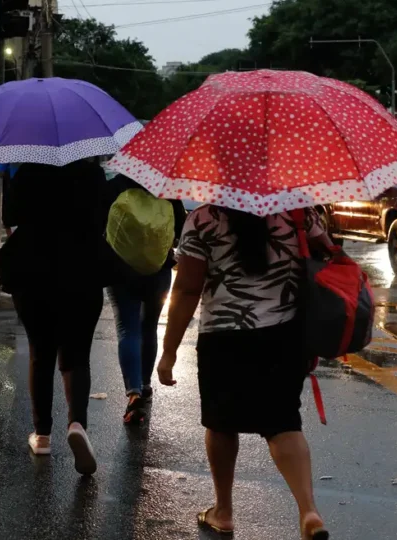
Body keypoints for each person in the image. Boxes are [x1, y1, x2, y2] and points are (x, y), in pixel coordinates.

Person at [159, 205, 331, 540]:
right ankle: (308, 510)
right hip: (285, 335)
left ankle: (223, 511)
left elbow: (187, 289)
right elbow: (326, 260)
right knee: (283, 424)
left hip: (224, 336)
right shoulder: (299, 213)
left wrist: (168, 351)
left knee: (221, 424)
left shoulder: (204, 219)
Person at [0, 159, 111, 475]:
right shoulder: (93, 174)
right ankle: (77, 424)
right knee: (77, 357)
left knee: (41, 353)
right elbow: (103, 218)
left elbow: (11, 218)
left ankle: (43, 435)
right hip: (84, 271)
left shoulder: (28, 172)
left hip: (34, 272)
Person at [105, 174, 185, 425]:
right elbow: (180, 229)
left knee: (127, 328)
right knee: (149, 326)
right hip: (158, 270)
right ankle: (146, 383)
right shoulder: (167, 185)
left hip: (120, 269)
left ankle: (133, 392)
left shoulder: (115, 185)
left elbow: (101, 225)